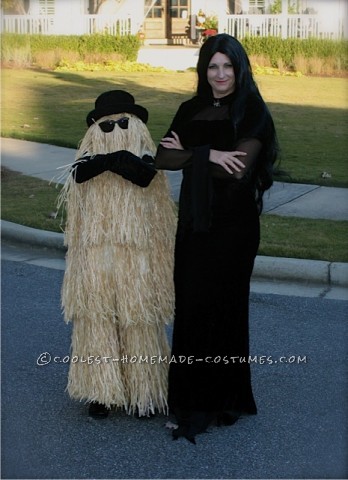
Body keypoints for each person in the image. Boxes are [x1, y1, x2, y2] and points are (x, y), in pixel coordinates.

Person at [155, 34, 279, 443]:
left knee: (223, 309)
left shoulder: (252, 112)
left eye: (227, 66)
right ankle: (189, 400)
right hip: (194, 224)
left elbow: (238, 170)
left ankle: (224, 399)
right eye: (213, 66)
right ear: (203, 70)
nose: (220, 74)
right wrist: (207, 155)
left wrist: (192, 152)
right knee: (191, 309)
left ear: (239, 69)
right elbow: (163, 157)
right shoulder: (189, 108)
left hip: (233, 228)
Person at [59, 90, 176, 419]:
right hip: (98, 254)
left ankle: (146, 390)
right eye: (107, 126)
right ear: (95, 131)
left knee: (138, 319)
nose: (116, 130)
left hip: (136, 254)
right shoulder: (87, 159)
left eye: (124, 123)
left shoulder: (146, 156)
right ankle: (100, 390)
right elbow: (81, 174)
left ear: (136, 125)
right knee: (98, 319)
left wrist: (115, 160)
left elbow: (143, 176)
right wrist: (107, 160)